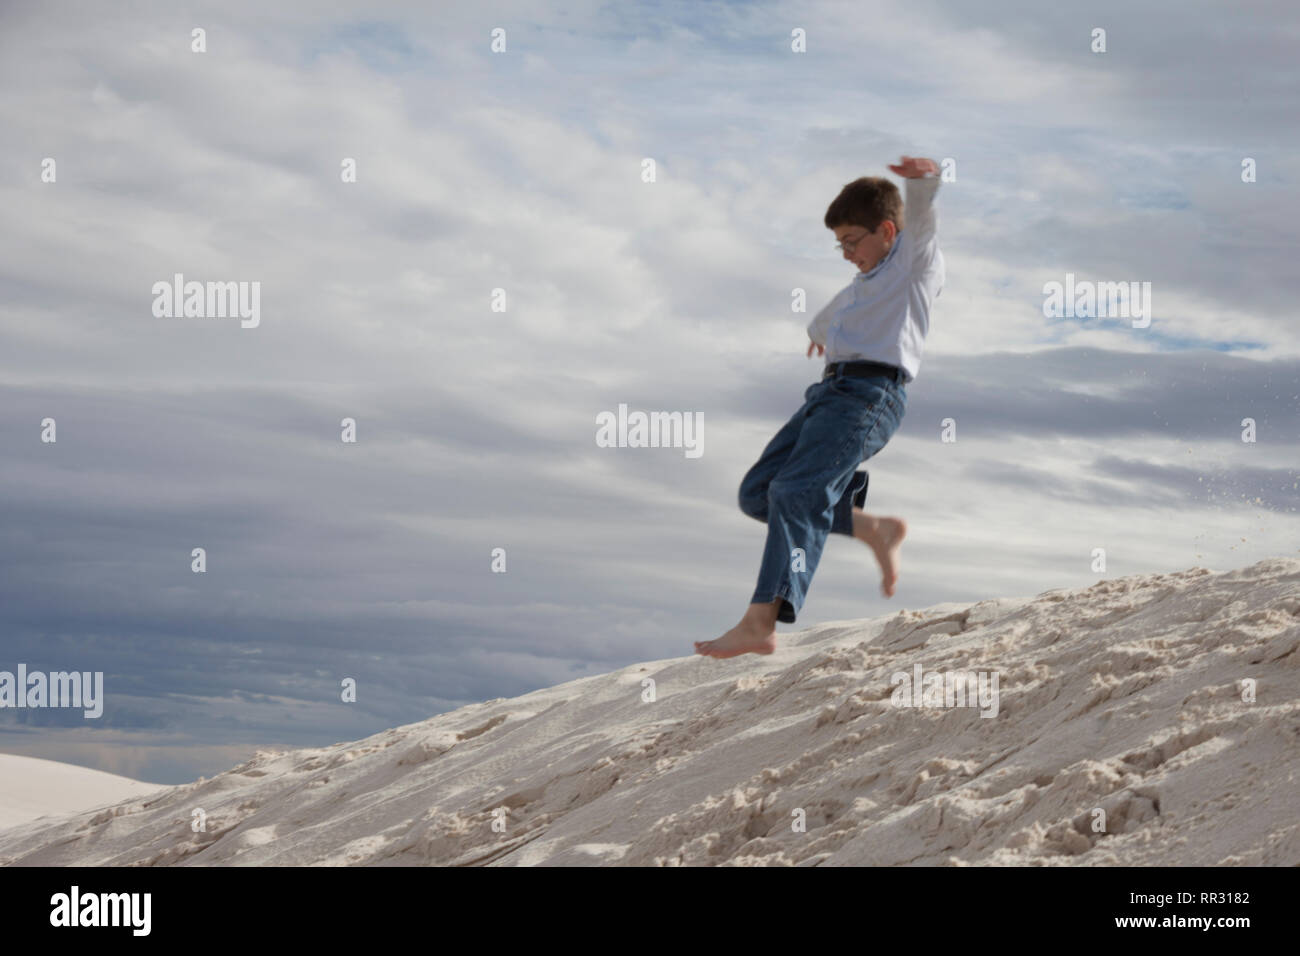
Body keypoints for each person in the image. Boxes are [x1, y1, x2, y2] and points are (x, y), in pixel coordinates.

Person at [695, 155, 944, 659]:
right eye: (840, 245)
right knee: (758, 493)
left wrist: (921, 182)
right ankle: (872, 528)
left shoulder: (913, 263)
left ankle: (760, 621)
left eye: (853, 241)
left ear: (888, 231)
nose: (847, 253)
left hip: (870, 397)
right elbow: (842, 305)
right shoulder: (866, 281)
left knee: (797, 490)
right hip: (829, 395)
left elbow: (921, 220)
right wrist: (817, 329)